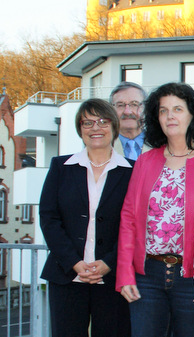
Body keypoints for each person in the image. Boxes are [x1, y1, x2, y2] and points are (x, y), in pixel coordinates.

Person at [116, 82, 194, 337]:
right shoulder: (145, 161)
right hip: (147, 276)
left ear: (193, 114)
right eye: (163, 111)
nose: (170, 116)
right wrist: (125, 274)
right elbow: (129, 218)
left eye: (177, 109)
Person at [40, 98, 132, 337]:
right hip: (66, 275)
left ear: (113, 126)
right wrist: (74, 261)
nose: (95, 128)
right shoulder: (61, 166)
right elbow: (49, 218)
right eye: (87, 122)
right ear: (80, 129)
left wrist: (109, 262)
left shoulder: (132, 171)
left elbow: (135, 224)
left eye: (102, 121)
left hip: (113, 279)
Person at [110, 81, 151, 160]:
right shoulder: (103, 146)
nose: (127, 111)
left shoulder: (162, 145)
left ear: (146, 108)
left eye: (134, 104)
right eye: (120, 105)